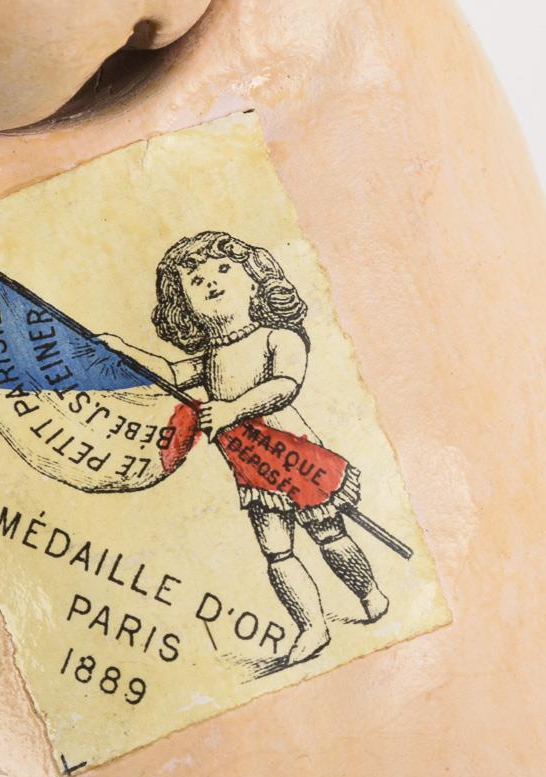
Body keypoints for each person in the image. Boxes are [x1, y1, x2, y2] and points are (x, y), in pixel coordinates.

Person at [108, 231, 389, 664]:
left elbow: (284, 385)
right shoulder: (209, 358)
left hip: (295, 457)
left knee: (329, 534)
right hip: (252, 470)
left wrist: (233, 409)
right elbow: (170, 372)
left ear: (256, 279)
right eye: (196, 280)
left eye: (223, 269)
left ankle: (369, 592)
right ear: (184, 305)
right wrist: (123, 351)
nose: (211, 282)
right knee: (277, 551)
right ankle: (311, 627)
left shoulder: (278, 338)